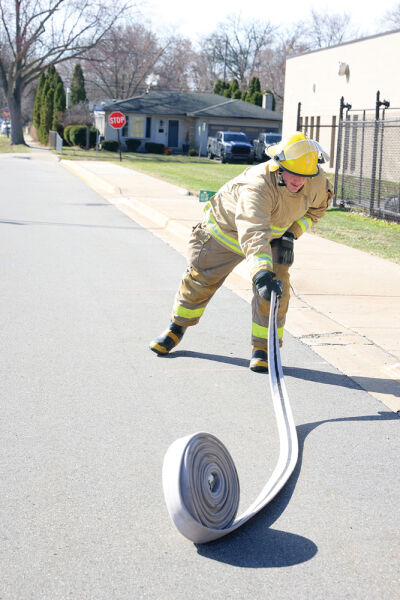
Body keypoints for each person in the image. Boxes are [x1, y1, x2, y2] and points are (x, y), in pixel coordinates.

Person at [149, 131, 333, 372]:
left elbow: (317, 210)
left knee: (275, 293)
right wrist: (261, 274)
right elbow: (253, 231)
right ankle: (176, 328)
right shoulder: (257, 186)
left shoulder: (315, 181)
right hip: (226, 235)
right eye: (294, 174)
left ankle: (263, 348)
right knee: (199, 281)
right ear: (279, 166)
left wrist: (290, 234)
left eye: (305, 176)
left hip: (272, 237)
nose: (299, 181)